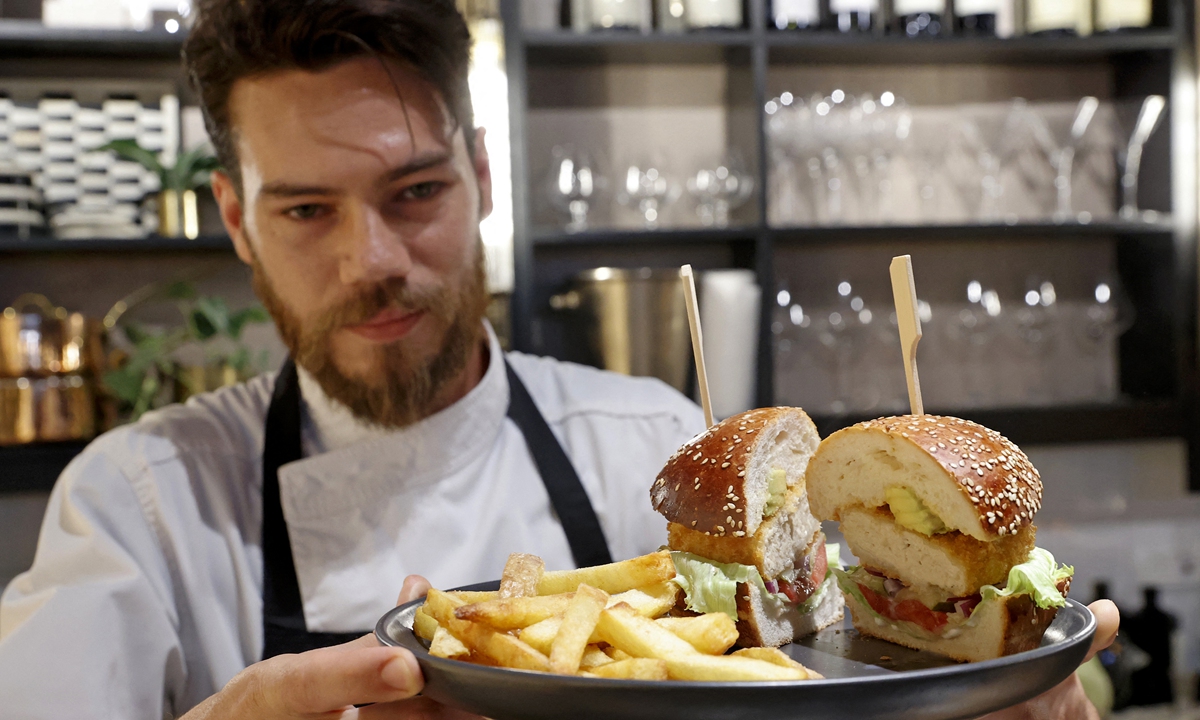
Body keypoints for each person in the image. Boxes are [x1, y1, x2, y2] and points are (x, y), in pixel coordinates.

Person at [0, 1, 1117, 718]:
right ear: (235, 221)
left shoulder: (650, 436)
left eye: (416, 191)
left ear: (484, 174)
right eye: (303, 210)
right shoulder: (136, 505)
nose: (372, 259)